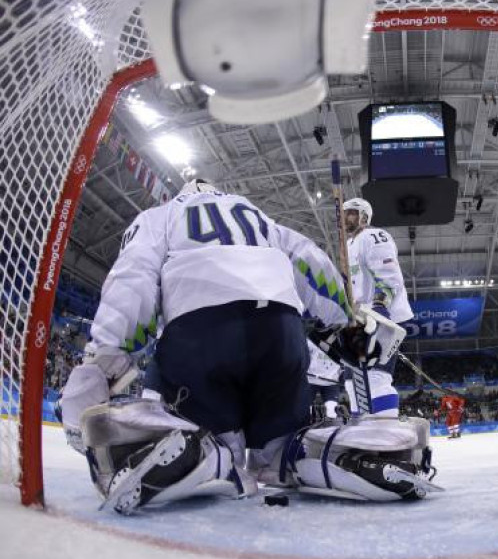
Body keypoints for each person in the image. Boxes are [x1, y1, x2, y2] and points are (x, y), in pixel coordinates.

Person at [58, 179, 433, 513]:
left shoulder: (160, 216)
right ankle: (347, 454)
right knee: (280, 448)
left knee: (216, 436)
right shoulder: (257, 217)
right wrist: (343, 319)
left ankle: (210, 455)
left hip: (201, 334)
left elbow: (132, 280)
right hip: (281, 333)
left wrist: (106, 358)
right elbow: (310, 262)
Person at [342, 198, 414, 417]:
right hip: (359, 319)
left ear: (364, 216)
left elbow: (389, 276)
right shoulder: (348, 244)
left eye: (351, 213)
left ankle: (386, 434)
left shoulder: (374, 236)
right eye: (343, 213)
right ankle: (363, 431)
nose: (345, 217)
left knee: (375, 378)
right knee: (352, 383)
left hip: (380, 317)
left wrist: (380, 308)